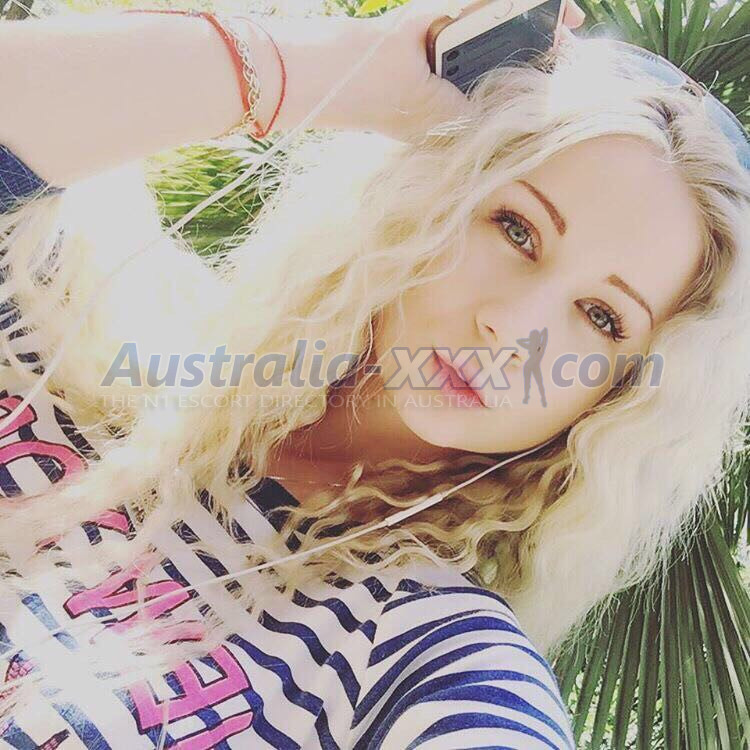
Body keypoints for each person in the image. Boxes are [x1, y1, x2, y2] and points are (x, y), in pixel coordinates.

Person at [0, 0, 748, 747]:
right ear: (429, 197)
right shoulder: (88, 331)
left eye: (602, 317)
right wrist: (351, 67)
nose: (514, 329)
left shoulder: (430, 661)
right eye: (516, 229)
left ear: (620, 393)